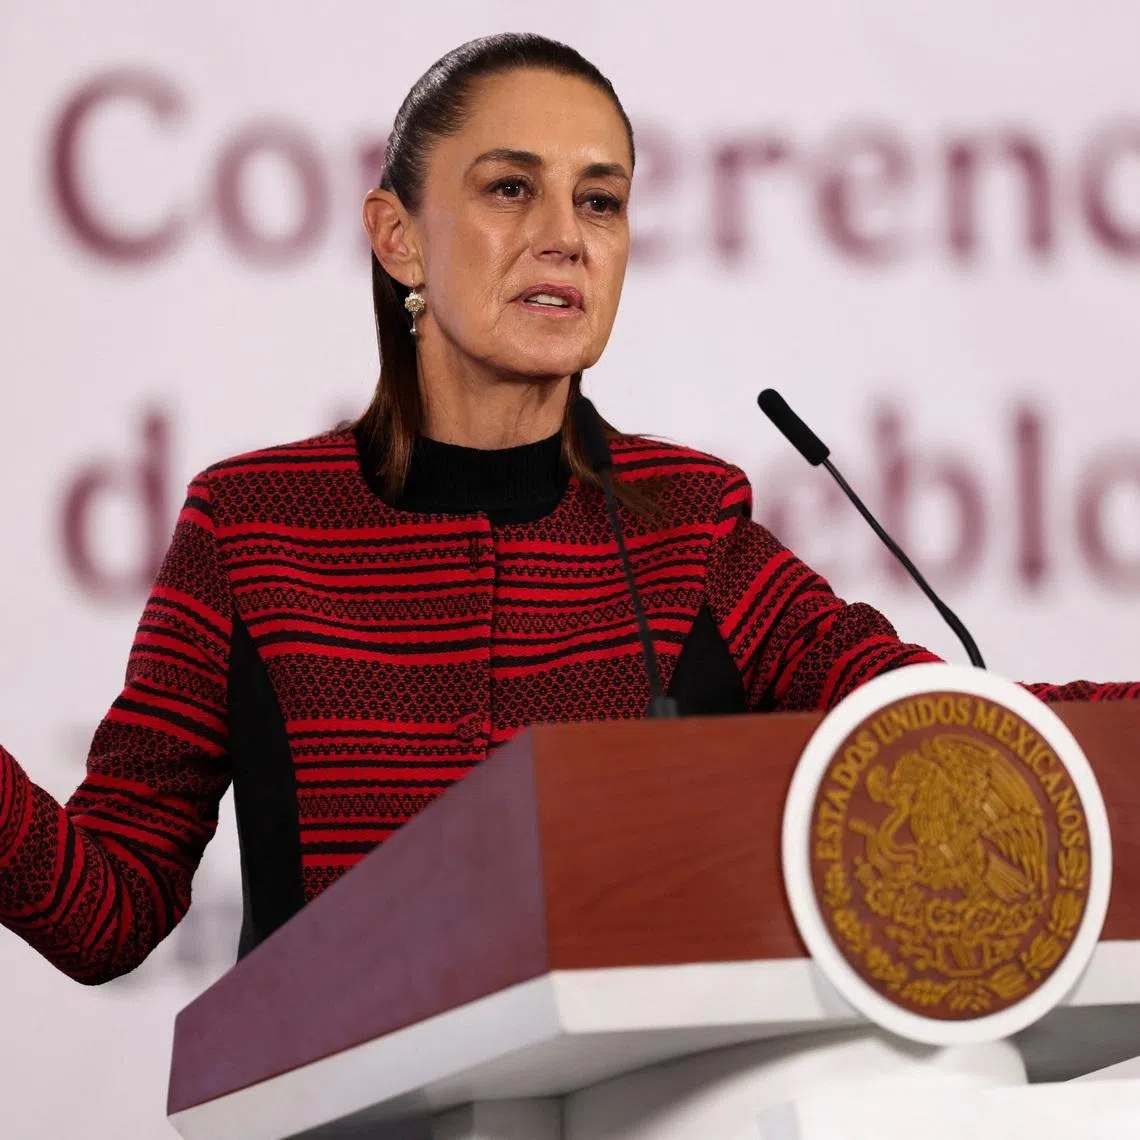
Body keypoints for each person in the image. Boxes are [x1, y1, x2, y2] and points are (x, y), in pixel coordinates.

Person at [0, 33, 1135, 984]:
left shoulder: (689, 528)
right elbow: (109, 908)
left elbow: (942, 733)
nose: (566, 234)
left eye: (601, 200)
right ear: (398, 236)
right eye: (510, 188)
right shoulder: (254, 527)